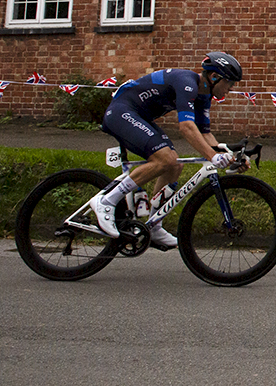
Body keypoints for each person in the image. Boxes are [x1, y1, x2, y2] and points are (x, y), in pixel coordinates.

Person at [88, 51, 244, 248]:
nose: (230, 88)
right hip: (122, 112)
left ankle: (153, 226)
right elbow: (186, 127)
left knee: (174, 165)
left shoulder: (204, 96)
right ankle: (107, 201)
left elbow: (205, 134)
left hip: (140, 117)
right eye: (229, 83)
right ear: (214, 77)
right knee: (165, 159)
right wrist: (213, 156)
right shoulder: (186, 82)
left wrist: (228, 156)